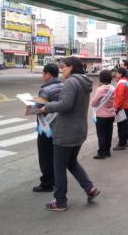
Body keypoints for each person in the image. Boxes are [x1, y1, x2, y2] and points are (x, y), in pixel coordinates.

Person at [42, 56, 100, 211]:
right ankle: (89, 188)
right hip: (79, 130)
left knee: (59, 166)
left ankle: (60, 201)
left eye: (64, 67)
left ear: (71, 67)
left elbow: (65, 105)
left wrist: (47, 107)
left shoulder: (70, 82)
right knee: (72, 162)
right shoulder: (84, 82)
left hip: (66, 132)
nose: (62, 70)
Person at [33, 64, 64, 192]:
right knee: (56, 155)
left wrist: (31, 106)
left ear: (48, 75)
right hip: (60, 126)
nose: (42, 76)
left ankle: (47, 183)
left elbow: (38, 108)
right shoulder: (64, 86)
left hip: (46, 127)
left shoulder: (45, 90)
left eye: (43, 74)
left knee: (45, 156)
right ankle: (56, 179)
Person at [91, 70, 115, 159]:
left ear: (101, 78)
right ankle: (107, 151)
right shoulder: (113, 88)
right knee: (109, 133)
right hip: (111, 114)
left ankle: (101, 153)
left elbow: (94, 102)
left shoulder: (100, 89)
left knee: (101, 134)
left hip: (101, 115)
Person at [112, 67, 128, 150]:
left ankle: (121, 144)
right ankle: (125, 142)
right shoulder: (126, 81)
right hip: (125, 105)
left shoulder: (121, 84)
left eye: (116, 73)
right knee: (124, 125)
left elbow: (119, 97)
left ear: (120, 74)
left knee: (121, 126)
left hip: (121, 107)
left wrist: (116, 108)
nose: (115, 74)